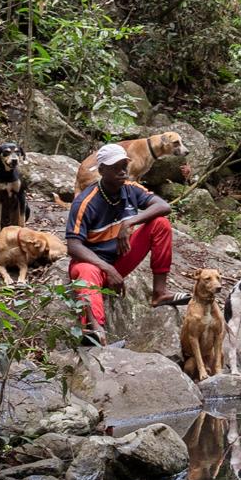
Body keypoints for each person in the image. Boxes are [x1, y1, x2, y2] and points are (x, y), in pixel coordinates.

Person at [65, 142, 176, 345]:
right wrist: (107, 269)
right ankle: (95, 332)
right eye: (115, 167)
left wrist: (130, 222)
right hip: (94, 264)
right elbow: (73, 246)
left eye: (124, 166)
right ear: (101, 170)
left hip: (120, 258)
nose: (122, 172)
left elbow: (163, 206)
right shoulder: (85, 202)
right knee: (87, 272)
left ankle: (159, 293)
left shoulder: (131, 189)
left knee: (160, 223)